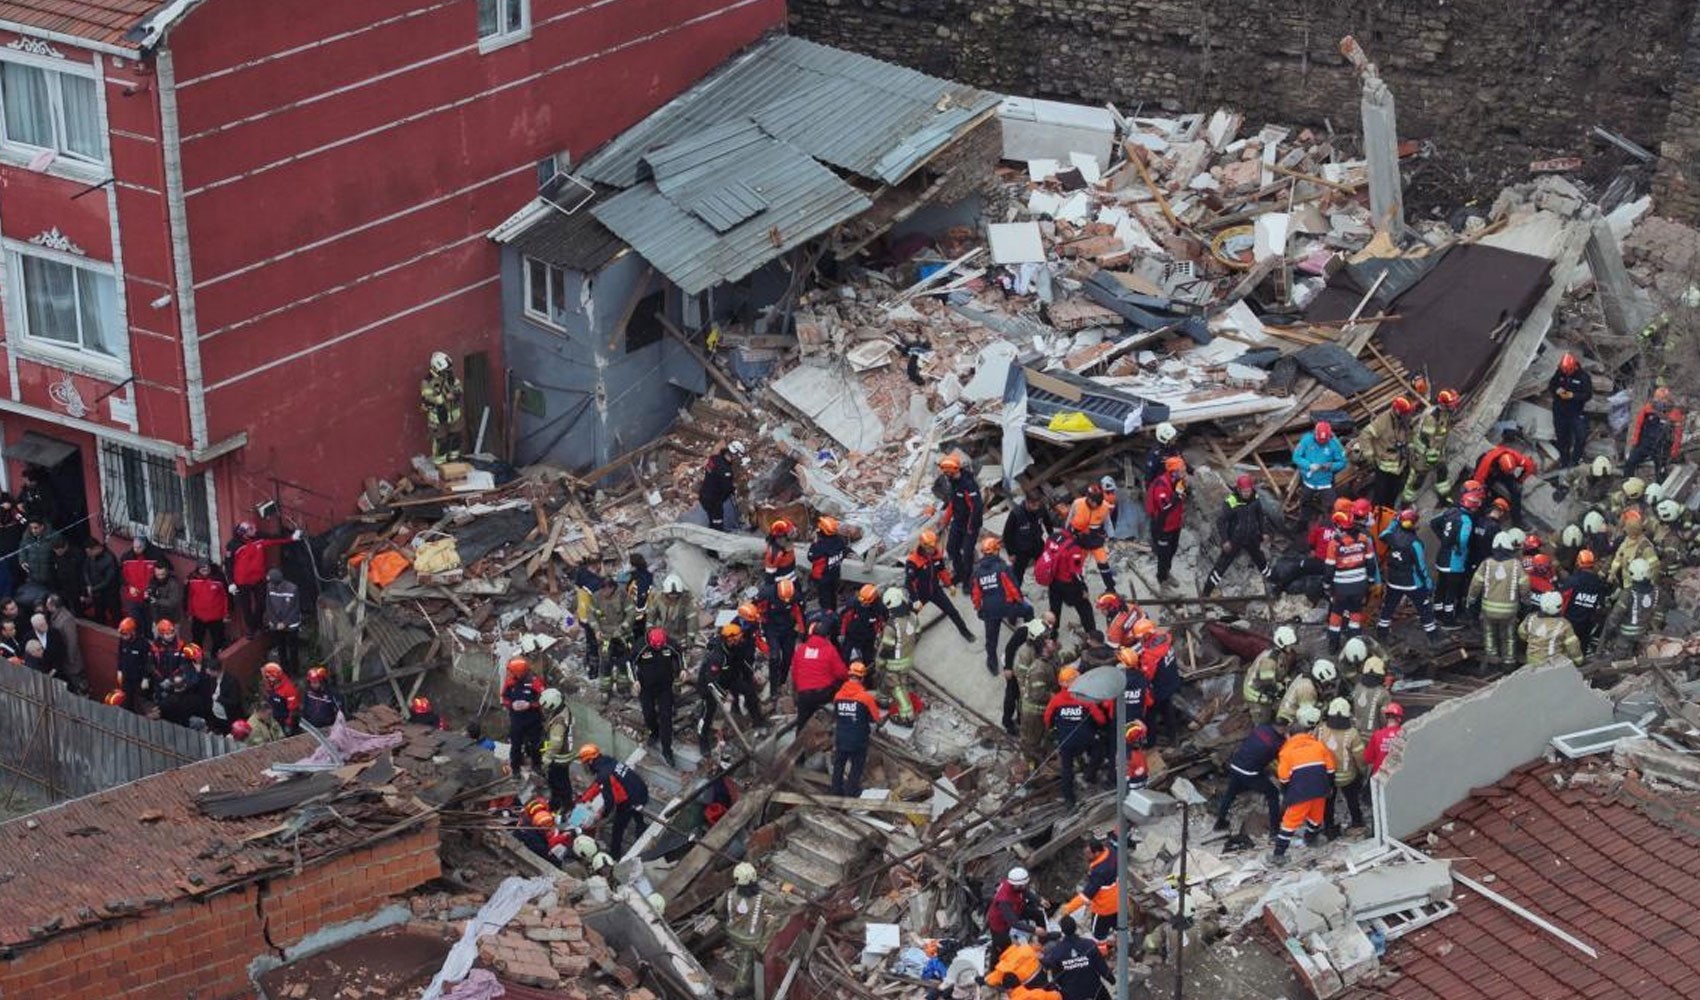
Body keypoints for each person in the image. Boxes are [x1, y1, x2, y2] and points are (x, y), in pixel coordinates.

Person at [1273, 704, 1336, 862]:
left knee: (1290, 822)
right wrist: (1328, 787)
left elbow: (1284, 777)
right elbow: (1331, 770)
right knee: (1316, 817)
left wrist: (1286, 792)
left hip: (1300, 793)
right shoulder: (1319, 746)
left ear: (1290, 735)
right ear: (1308, 733)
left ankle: (1278, 854)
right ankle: (1311, 838)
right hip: (1320, 790)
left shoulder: (1286, 752)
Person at [1043, 666, 1107, 807]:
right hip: (1086, 739)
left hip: (1066, 741)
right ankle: (1089, 775)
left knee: (1067, 769)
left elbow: (1047, 719)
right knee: (1099, 751)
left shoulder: (1056, 700)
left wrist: (1056, 730)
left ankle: (1069, 799)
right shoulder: (1085, 698)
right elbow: (1101, 719)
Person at [1204, 474, 1273, 597]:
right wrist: (1225, 540)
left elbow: (1260, 516)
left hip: (1252, 537)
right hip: (1235, 539)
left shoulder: (1255, 499)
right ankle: (1206, 592)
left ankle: (1272, 581)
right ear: (1239, 490)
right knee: (1222, 565)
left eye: (1249, 491)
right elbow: (1221, 522)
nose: (1247, 494)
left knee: (1260, 559)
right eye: (1244, 491)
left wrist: (1264, 532)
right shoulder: (1232, 501)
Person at [1214, 717, 1286, 837]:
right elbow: (1280, 759)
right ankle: (1274, 830)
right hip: (1250, 773)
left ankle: (1220, 822)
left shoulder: (1261, 728)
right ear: (1283, 728)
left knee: (1230, 793)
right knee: (1273, 794)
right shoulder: (1276, 744)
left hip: (1236, 765)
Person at [226, 522, 298, 637]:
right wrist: (231, 583)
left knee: (262, 602)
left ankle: (256, 624)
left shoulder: (259, 538)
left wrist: (291, 538)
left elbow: (275, 539)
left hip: (258, 578)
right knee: (246, 606)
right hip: (242, 581)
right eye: (251, 529)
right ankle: (251, 628)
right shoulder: (233, 545)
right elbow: (228, 565)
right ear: (244, 533)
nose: (254, 530)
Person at [699, 623, 765, 751]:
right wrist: (724, 694)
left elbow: (742, 662)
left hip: (729, 678)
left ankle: (758, 721)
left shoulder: (736, 647)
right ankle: (703, 740)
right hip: (709, 685)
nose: (740, 639)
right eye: (737, 637)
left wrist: (752, 674)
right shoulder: (717, 656)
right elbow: (711, 681)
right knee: (707, 712)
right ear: (730, 639)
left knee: (749, 691)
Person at [576, 743, 649, 856]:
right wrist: (585, 798)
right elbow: (598, 784)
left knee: (617, 828)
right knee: (635, 809)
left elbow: (609, 802)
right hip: (639, 789)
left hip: (631, 800)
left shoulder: (604, 774)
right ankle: (641, 825)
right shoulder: (608, 761)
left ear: (590, 761)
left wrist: (601, 816)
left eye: (585, 763)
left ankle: (615, 855)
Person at [970, 537, 1028, 678]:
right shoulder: (1003, 567)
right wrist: (1020, 601)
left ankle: (992, 663)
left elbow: (976, 594)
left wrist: (978, 608)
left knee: (991, 639)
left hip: (990, 610)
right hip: (1006, 605)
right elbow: (1013, 587)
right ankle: (1025, 631)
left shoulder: (977, 572)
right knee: (1028, 610)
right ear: (996, 551)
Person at [1377, 508, 1437, 644]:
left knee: (1389, 606)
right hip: (1412, 583)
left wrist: (1395, 521)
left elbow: (1383, 535)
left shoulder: (1392, 536)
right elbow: (1421, 566)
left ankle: (1381, 631)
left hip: (1393, 580)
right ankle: (1432, 635)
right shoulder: (1415, 543)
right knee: (1424, 608)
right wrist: (1428, 584)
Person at [1467, 532, 1527, 670]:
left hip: (1488, 610)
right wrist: (1526, 602)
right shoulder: (1516, 565)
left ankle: (1492, 659)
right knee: (1509, 637)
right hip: (1509, 611)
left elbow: (1475, 584)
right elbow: (1524, 586)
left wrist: (1470, 601)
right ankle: (1509, 662)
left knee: (1489, 633)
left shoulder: (1486, 564)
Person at [1323, 512, 1377, 653]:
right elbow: (1371, 564)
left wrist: (1327, 586)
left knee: (1336, 613)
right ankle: (1355, 644)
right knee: (1355, 612)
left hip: (1341, 587)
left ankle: (1333, 645)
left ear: (1339, 526)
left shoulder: (1334, 543)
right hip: (1360, 585)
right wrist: (1370, 581)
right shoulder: (1364, 539)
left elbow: (1329, 569)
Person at [906, 530, 974, 641]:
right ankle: (911, 636)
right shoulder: (913, 561)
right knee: (909, 616)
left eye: (934, 546)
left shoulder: (936, 555)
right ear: (924, 546)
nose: (934, 549)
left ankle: (965, 632)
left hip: (935, 591)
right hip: (920, 594)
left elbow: (942, 570)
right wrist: (915, 600)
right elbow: (908, 582)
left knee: (952, 611)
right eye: (931, 548)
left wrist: (949, 584)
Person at [831, 661, 884, 797]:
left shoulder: (838, 696)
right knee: (857, 765)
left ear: (849, 676)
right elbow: (877, 718)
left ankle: (836, 791)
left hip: (841, 737)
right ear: (862, 678)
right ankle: (852, 791)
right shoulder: (866, 698)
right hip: (859, 739)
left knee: (839, 765)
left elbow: (836, 716)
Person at [1431, 486, 1480, 629]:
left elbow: (1434, 523)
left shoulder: (1450, 511)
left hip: (1442, 557)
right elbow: (1464, 539)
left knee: (1440, 587)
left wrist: (1444, 539)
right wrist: (1459, 548)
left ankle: (1437, 614)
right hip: (1455, 561)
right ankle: (1448, 620)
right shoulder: (1466, 520)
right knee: (1451, 591)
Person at [1056, 833, 1121, 941]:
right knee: (1118, 925)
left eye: (1088, 854)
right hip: (1118, 900)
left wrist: (1068, 908)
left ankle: (1103, 950)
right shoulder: (1111, 852)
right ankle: (1123, 940)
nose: (1085, 856)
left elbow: (1086, 896)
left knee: (1098, 935)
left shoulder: (1099, 872)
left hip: (1104, 908)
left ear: (1097, 852)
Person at [1355, 395, 1417, 508]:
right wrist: (1370, 455)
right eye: (1406, 413)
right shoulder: (1384, 421)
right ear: (1398, 412)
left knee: (1392, 497)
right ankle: (1375, 521)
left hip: (1400, 466)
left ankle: (1387, 520)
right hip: (1384, 467)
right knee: (1380, 497)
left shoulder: (1405, 421)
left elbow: (1409, 437)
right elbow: (1365, 435)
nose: (1409, 416)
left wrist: (1411, 451)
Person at [1317, 698, 1366, 838]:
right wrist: (1362, 773)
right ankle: (1357, 823)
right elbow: (1360, 758)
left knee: (1328, 804)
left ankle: (1329, 829)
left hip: (1326, 776)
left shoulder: (1320, 729)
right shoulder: (1352, 733)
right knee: (1352, 800)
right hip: (1348, 776)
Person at [791, 617, 849, 733]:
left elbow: (794, 673)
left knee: (802, 721)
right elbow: (841, 673)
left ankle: (799, 741)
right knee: (841, 683)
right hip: (823, 694)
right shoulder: (830, 649)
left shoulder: (801, 650)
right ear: (827, 637)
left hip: (804, 695)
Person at [633, 627, 681, 766]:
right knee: (648, 713)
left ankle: (667, 749)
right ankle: (654, 731)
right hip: (646, 687)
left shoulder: (669, 643)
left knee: (666, 717)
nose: (659, 649)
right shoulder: (641, 646)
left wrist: (682, 669)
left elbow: (678, 654)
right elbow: (631, 662)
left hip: (664, 687)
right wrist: (635, 680)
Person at [1014, 619, 1059, 763]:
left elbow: (1057, 662)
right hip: (1033, 707)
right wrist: (1055, 697)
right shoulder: (1027, 655)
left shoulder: (1045, 656)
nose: (1049, 639)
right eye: (1046, 637)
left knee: (1043, 735)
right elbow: (1033, 688)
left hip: (1041, 705)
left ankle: (1040, 757)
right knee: (1030, 740)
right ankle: (1030, 765)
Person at [723, 862, 770, 997]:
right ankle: (741, 991)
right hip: (751, 940)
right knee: (746, 963)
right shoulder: (761, 898)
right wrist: (784, 893)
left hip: (732, 933)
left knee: (739, 951)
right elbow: (779, 904)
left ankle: (739, 960)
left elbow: (718, 908)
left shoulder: (730, 894)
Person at [1405, 388, 1461, 502]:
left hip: (1436, 452)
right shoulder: (1432, 417)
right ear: (1444, 404)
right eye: (1452, 405)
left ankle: (1443, 497)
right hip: (1423, 454)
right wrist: (1431, 457)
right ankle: (1405, 502)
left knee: (1442, 471)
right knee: (1417, 480)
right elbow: (1427, 439)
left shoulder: (1445, 413)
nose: (1454, 407)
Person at [936, 454, 984, 588]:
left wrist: (970, 528)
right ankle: (960, 574)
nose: (945, 475)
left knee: (967, 553)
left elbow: (976, 508)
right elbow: (953, 503)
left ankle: (969, 580)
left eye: (947, 473)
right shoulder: (954, 482)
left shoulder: (968, 485)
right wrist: (945, 520)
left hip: (970, 523)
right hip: (958, 522)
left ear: (953, 471)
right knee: (952, 549)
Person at [1601, 558, 1663, 655]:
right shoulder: (1656, 591)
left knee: (1618, 662)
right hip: (1642, 634)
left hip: (1624, 637)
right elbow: (1659, 612)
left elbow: (1614, 618)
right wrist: (1654, 627)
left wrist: (1606, 638)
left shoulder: (1628, 594)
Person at [1041, 914, 1111, 1000]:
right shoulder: (1089, 944)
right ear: (1076, 927)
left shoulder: (1056, 951)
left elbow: (1052, 971)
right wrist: (1111, 979)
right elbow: (1101, 965)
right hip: (1094, 988)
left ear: (1062, 931)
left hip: (1071, 993)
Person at [1135, 619, 1181, 747]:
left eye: (1140, 637)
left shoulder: (1150, 656)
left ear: (1146, 635)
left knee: (1149, 716)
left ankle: (1150, 742)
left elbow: (1146, 677)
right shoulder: (1165, 638)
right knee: (1167, 711)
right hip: (1172, 680)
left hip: (1159, 689)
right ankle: (1174, 737)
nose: (1139, 640)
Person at [1065, 482, 1117, 593]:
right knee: (1076, 565)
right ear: (1088, 498)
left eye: (1098, 502)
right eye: (1094, 502)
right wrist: (1066, 536)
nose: (1095, 505)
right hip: (1079, 539)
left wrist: (1111, 536)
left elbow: (1108, 523)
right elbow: (1069, 520)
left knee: (1103, 564)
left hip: (1095, 539)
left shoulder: (1104, 507)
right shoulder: (1077, 503)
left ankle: (1111, 588)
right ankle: (1079, 588)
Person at [1144, 456, 1187, 586]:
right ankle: (1162, 579)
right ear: (1173, 471)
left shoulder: (1178, 482)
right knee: (1163, 555)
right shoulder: (1161, 485)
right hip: (1162, 527)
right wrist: (1177, 495)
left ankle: (1166, 573)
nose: (1184, 472)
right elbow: (1165, 507)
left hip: (1174, 525)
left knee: (1172, 551)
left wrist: (1181, 493)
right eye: (1181, 470)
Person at [1044, 530, 1097, 635]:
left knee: (1054, 609)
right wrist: (1083, 588)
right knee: (1085, 608)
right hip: (1069, 584)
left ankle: (1052, 634)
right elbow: (1076, 572)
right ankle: (1092, 635)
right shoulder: (1075, 549)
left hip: (1053, 581)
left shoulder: (1054, 537)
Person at [985, 867, 1047, 957]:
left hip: (1016, 908)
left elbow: (1025, 892)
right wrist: (1034, 930)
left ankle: (1043, 940)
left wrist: (1039, 900)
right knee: (1003, 948)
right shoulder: (1004, 900)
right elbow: (1014, 923)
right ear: (1017, 885)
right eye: (1024, 884)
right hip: (1000, 923)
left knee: (1038, 914)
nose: (1025, 886)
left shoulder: (1015, 885)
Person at [1471, 440, 1538, 523]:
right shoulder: (1487, 462)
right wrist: (1479, 494)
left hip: (1503, 470)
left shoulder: (1516, 457)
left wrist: (1520, 480)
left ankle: (1517, 521)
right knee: (1485, 490)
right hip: (1491, 469)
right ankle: (1479, 512)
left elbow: (1530, 466)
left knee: (1516, 491)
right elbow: (1477, 481)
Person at [1243, 626, 1298, 724]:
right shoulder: (1270, 661)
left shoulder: (1279, 655)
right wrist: (1281, 691)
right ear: (1282, 644)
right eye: (1290, 645)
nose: (1292, 647)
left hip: (1263, 689)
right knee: (1263, 721)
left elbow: (1280, 672)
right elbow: (1268, 684)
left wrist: (1287, 681)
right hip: (1256, 695)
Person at [1626, 386, 1684, 480]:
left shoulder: (1675, 414)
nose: (1659, 402)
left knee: (1661, 473)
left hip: (1661, 448)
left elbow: (1678, 435)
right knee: (1630, 463)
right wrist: (1635, 441)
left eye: (1662, 399)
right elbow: (1638, 425)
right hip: (1644, 444)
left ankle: (1660, 490)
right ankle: (1627, 483)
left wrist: (1674, 451)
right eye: (1657, 398)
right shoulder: (1647, 409)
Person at [1292, 420, 1347, 518]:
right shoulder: (1306, 440)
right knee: (1304, 505)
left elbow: (1342, 462)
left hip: (1325, 483)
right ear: (1315, 433)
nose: (1321, 443)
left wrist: (1331, 466)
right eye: (1319, 440)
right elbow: (1296, 457)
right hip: (1308, 481)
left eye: (1324, 441)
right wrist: (1309, 465)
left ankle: (1329, 526)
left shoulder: (1334, 444)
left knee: (1331, 508)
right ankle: (1303, 524)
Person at [760, 577, 804, 698]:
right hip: (772, 628)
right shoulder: (766, 594)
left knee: (788, 655)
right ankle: (774, 689)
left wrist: (800, 628)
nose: (785, 601)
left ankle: (782, 680)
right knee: (774, 657)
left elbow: (798, 612)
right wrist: (761, 625)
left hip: (788, 628)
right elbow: (759, 610)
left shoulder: (795, 595)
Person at [502, 657, 545, 779]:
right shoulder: (510, 682)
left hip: (533, 720)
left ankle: (537, 766)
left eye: (512, 671)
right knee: (515, 745)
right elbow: (504, 697)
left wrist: (530, 705)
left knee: (536, 745)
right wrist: (511, 705)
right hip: (517, 720)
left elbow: (543, 699)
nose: (510, 674)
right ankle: (515, 769)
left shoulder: (534, 682)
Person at [1548, 353, 1593, 468]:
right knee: (1562, 438)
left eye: (1568, 371)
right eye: (1564, 371)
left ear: (1574, 367)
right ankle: (1564, 462)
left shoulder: (1583, 377)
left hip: (1575, 412)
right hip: (1559, 411)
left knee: (1581, 437)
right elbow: (1551, 385)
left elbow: (1587, 395)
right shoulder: (1560, 372)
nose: (1566, 373)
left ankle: (1575, 460)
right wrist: (1557, 390)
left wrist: (1573, 395)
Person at [1559, 549, 1607, 652]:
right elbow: (1600, 604)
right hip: (1587, 623)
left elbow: (1562, 600)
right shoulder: (1599, 583)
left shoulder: (1572, 581)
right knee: (1582, 648)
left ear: (1578, 563)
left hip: (1569, 622)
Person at [420, 350, 465, 463]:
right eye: (445, 371)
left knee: (456, 436)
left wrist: (454, 394)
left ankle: (454, 459)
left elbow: (459, 388)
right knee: (441, 441)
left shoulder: (450, 377)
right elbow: (427, 398)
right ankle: (440, 463)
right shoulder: (428, 382)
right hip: (438, 417)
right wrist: (443, 398)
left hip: (453, 415)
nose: (448, 372)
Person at [1004, 491, 1057, 585]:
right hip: (1021, 548)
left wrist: (1052, 537)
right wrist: (1010, 553)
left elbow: (1048, 523)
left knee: (1047, 565)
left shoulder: (1041, 508)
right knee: (1018, 574)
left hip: (1037, 543)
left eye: (1038, 505)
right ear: (1027, 502)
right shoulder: (1016, 513)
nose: (1036, 508)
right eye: (1034, 505)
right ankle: (1016, 593)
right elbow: (1007, 534)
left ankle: (1050, 583)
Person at [1519, 591, 1583, 667]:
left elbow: (1522, 633)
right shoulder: (1564, 625)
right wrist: (1579, 661)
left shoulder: (1531, 618)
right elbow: (1573, 647)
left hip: (1532, 660)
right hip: (1552, 663)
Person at [185, 560, 230, 660]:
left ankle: (215, 660)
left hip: (216, 616)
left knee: (218, 640)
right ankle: (196, 660)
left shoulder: (219, 579)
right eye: (202, 568)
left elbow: (226, 597)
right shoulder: (192, 579)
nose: (205, 570)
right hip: (198, 616)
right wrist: (189, 613)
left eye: (207, 568)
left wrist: (226, 614)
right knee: (196, 640)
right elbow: (188, 597)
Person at [537, 687, 573, 810]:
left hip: (559, 758)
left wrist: (546, 758)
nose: (544, 710)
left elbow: (556, 744)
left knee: (557, 782)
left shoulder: (559, 722)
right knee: (563, 781)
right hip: (563, 755)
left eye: (546, 708)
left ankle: (560, 806)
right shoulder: (563, 709)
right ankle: (565, 802)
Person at [43, 594, 85, 694]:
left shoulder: (66, 619)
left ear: (53, 606)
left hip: (71, 660)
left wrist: (71, 659)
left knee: (77, 681)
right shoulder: (55, 616)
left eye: (48, 605)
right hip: (64, 657)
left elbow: (72, 640)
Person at [264, 567, 302, 673]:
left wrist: (285, 623)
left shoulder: (293, 589)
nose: (271, 585)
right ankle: (284, 671)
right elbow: (269, 606)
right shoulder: (269, 588)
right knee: (281, 649)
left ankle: (295, 672)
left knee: (293, 649)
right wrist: (276, 622)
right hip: (276, 625)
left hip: (291, 625)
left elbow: (295, 608)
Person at [837, 584, 887, 665]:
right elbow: (845, 618)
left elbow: (882, 622)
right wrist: (842, 633)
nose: (863, 604)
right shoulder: (854, 604)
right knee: (845, 657)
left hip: (868, 639)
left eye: (865, 603)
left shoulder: (879, 609)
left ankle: (866, 674)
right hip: (852, 636)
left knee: (867, 659)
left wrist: (879, 635)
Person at [698, 442, 743, 530]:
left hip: (704, 493)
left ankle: (711, 527)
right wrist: (733, 488)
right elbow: (727, 489)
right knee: (717, 520)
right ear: (733, 454)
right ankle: (717, 534)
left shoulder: (714, 458)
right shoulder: (726, 470)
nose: (736, 459)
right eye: (737, 456)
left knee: (711, 517)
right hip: (713, 500)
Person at [1277, 657, 1335, 725]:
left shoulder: (1306, 678)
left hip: (1291, 713)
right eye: (1327, 683)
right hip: (1291, 722)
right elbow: (1308, 716)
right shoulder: (1307, 689)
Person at [807, 516, 847, 611]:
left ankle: (827, 618)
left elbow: (810, 557)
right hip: (835, 575)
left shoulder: (819, 546)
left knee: (825, 601)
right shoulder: (840, 542)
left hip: (822, 578)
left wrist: (814, 543)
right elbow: (844, 553)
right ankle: (833, 613)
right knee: (833, 597)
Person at [116, 617, 155, 711]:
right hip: (126, 678)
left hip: (139, 680)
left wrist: (146, 678)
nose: (123, 637)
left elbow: (149, 662)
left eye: (125, 634)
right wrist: (119, 670)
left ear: (133, 632)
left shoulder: (143, 644)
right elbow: (120, 656)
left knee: (139, 704)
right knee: (126, 702)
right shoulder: (123, 641)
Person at [648, 574, 698, 648]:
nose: (673, 596)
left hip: (679, 636)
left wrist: (690, 637)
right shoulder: (659, 600)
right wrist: (650, 630)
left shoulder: (686, 602)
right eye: (671, 594)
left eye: (676, 594)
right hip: (663, 634)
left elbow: (692, 619)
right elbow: (651, 614)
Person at [201, 655, 244, 736]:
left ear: (216, 671)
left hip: (229, 718)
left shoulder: (231, 682)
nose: (208, 673)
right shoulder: (212, 679)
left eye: (210, 671)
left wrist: (219, 698)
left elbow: (234, 702)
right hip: (217, 716)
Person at [80, 537, 119, 624]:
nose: (89, 555)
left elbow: (108, 580)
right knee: (99, 615)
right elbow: (86, 569)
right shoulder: (90, 557)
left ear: (96, 548)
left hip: (110, 592)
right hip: (97, 592)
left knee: (115, 614)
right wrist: (89, 584)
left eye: (90, 552)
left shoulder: (109, 558)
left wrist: (93, 589)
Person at [46, 534, 82, 615]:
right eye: (56, 550)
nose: (58, 552)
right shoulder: (52, 556)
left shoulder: (76, 554)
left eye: (60, 550)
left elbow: (80, 572)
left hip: (74, 586)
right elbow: (51, 572)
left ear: (66, 546)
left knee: (77, 605)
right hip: (60, 587)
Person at [1364, 702, 1404, 774]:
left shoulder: (1377, 735)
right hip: (1398, 777)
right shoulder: (1405, 735)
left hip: (1379, 777)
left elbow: (1368, 759)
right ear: (1399, 718)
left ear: (1386, 718)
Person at [260, 662, 301, 734]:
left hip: (285, 720)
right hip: (274, 717)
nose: (268, 679)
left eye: (269, 677)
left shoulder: (289, 689)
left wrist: (288, 724)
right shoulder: (270, 682)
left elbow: (293, 710)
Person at [146, 561, 184, 634]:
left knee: (173, 641)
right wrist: (147, 594)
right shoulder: (152, 580)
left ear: (167, 572)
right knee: (157, 641)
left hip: (171, 619)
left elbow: (173, 602)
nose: (160, 577)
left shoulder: (173, 583)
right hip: (157, 618)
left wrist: (157, 601)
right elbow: (149, 591)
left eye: (162, 574)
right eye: (158, 574)